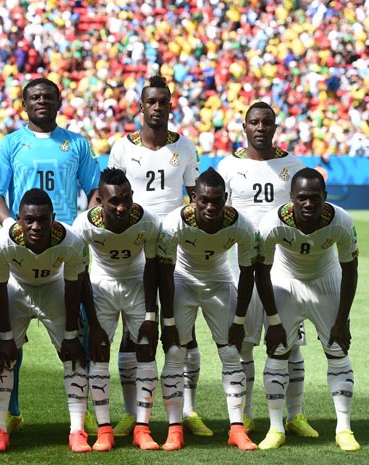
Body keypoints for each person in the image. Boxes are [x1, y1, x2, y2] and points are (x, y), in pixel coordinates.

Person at [0, 77, 100, 433]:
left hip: (66, 251)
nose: (42, 102)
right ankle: (13, 410)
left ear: (58, 101)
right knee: (9, 338)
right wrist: (10, 228)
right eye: (35, 97)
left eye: (48, 97)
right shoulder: (10, 143)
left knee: (75, 331)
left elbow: (94, 188)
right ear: (24, 104)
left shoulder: (76, 143)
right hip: (25, 246)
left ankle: (83, 411)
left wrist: (81, 225)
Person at [107, 75, 203, 437]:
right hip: (134, 249)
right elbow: (109, 194)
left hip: (176, 251)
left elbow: (196, 199)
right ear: (141, 106)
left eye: (164, 101)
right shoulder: (122, 147)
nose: (158, 107)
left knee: (183, 331)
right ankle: (133, 414)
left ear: (170, 105)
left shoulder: (186, 147)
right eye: (152, 101)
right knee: (134, 333)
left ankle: (189, 412)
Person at [217, 101, 314, 437]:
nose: (260, 128)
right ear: (244, 127)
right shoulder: (228, 166)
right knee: (242, 343)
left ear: (275, 127)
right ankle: (244, 415)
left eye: (267, 122)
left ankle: (295, 415)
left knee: (290, 344)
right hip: (239, 269)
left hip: (283, 270)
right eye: (254, 122)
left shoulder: (293, 165)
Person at [256, 168, 360, 451]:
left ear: (325, 197)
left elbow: (350, 271)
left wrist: (342, 320)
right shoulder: (272, 223)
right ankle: (276, 428)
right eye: (302, 197)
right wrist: (274, 320)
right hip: (285, 281)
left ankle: (344, 428)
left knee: (337, 349)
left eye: (315, 197)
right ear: (291, 198)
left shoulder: (340, 220)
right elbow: (261, 273)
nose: (308, 204)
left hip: (326, 281)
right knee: (277, 351)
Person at [157, 167, 261, 451]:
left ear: (226, 198)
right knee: (175, 352)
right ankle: (174, 428)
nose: (210, 206)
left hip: (219, 282)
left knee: (231, 353)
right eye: (204, 200)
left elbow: (247, 272)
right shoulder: (174, 222)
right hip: (183, 281)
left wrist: (239, 320)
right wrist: (167, 322)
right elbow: (164, 274)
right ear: (193, 198)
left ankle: (236, 428)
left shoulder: (241, 225)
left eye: (217, 200)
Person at [0, 188, 91, 453]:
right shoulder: (2, 241)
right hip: (15, 288)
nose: (36, 226)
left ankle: (77, 430)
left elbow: (74, 284)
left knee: (73, 353)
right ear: (18, 218)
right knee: (3, 354)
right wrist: (7, 337)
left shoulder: (70, 241)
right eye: (29, 219)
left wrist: (70, 335)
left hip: (54, 287)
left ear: (53, 218)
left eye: (43, 220)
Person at [72, 168, 160, 451]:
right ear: (100, 201)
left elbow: (153, 268)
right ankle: (104, 429)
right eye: (114, 202)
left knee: (146, 350)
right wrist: (93, 322)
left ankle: (142, 428)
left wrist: (150, 314)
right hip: (101, 287)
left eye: (126, 199)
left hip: (136, 284)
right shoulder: (84, 224)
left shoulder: (147, 221)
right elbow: (80, 274)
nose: (122, 207)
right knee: (98, 352)